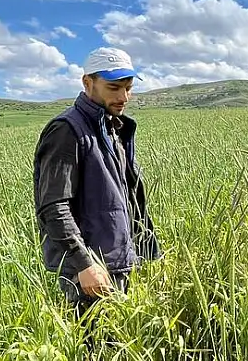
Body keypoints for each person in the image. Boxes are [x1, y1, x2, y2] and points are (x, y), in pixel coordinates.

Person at [33, 47, 161, 321]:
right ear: (87, 83)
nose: (123, 97)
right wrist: (84, 263)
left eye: (128, 88)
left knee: (120, 343)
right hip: (91, 271)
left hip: (118, 262)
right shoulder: (67, 130)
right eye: (114, 88)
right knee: (95, 353)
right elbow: (53, 206)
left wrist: (144, 249)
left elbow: (124, 198)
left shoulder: (112, 128)